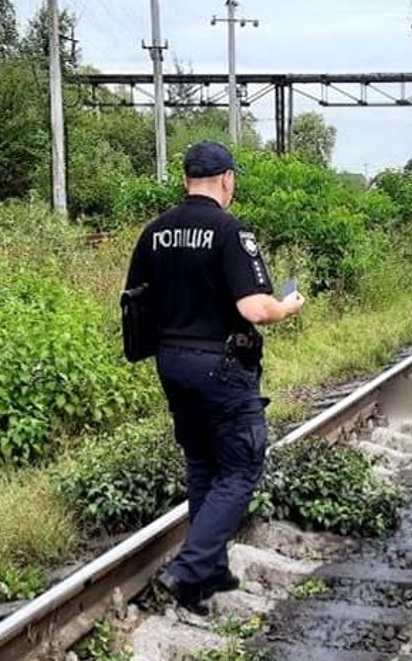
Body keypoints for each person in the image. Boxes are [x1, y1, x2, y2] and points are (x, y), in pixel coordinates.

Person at [124, 141, 305, 614]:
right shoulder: (229, 230)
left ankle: (203, 579)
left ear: (186, 179)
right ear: (227, 179)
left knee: (203, 465)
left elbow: (135, 301)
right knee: (242, 466)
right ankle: (189, 566)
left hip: (171, 364)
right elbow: (253, 308)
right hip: (220, 367)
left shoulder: (154, 232)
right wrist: (286, 306)